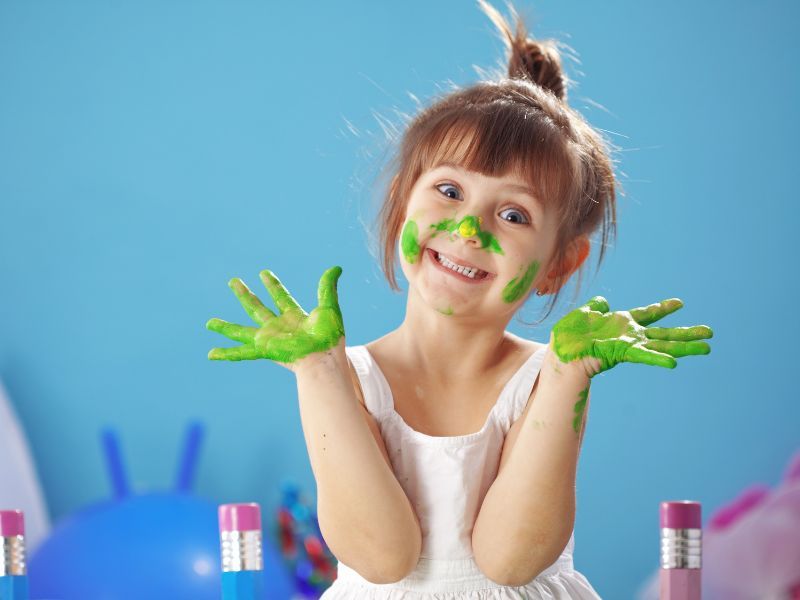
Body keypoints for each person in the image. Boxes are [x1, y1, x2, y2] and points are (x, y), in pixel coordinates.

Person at [205, 1, 714, 597]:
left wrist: (569, 376)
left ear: (558, 265)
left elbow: (511, 559)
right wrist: (319, 372)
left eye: (514, 213)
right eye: (450, 190)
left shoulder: (547, 375)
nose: (470, 229)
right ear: (401, 201)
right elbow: (381, 555)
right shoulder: (349, 375)